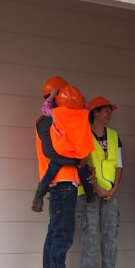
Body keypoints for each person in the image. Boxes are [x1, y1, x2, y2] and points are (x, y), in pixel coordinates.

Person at [35, 77, 90, 268]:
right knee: (62, 235)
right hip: (62, 184)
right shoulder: (48, 122)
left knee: (55, 233)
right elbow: (52, 152)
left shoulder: (59, 122)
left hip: (62, 183)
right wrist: (77, 161)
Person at [77, 96, 123, 268]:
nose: (109, 115)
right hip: (89, 192)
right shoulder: (83, 134)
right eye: (106, 111)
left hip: (110, 193)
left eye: (110, 112)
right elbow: (82, 164)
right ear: (95, 112)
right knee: (90, 236)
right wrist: (96, 187)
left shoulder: (113, 135)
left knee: (110, 235)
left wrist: (113, 189)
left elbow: (119, 165)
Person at [31, 84, 96, 212]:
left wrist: (51, 97)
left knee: (49, 173)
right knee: (83, 172)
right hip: (77, 154)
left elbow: (45, 109)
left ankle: (39, 196)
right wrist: (82, 101)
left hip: (62, 151)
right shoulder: (83, 114)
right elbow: (86, 108)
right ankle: (90, 195)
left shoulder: (57, 114)